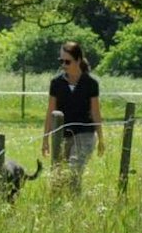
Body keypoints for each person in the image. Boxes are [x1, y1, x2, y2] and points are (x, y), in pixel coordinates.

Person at [43, 41, 103, 187]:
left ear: (78, 60)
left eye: (67, 61)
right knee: (57, 177)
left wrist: (101, 138)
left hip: (85, 134)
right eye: (61, 61)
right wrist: (45, 139)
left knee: (73, 171)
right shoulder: (56, 83)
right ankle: (59, 206)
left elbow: (95, 112)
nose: (63, 64)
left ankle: (75, 204)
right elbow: (51, 111)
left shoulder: (91, 84)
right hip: (62, 135)